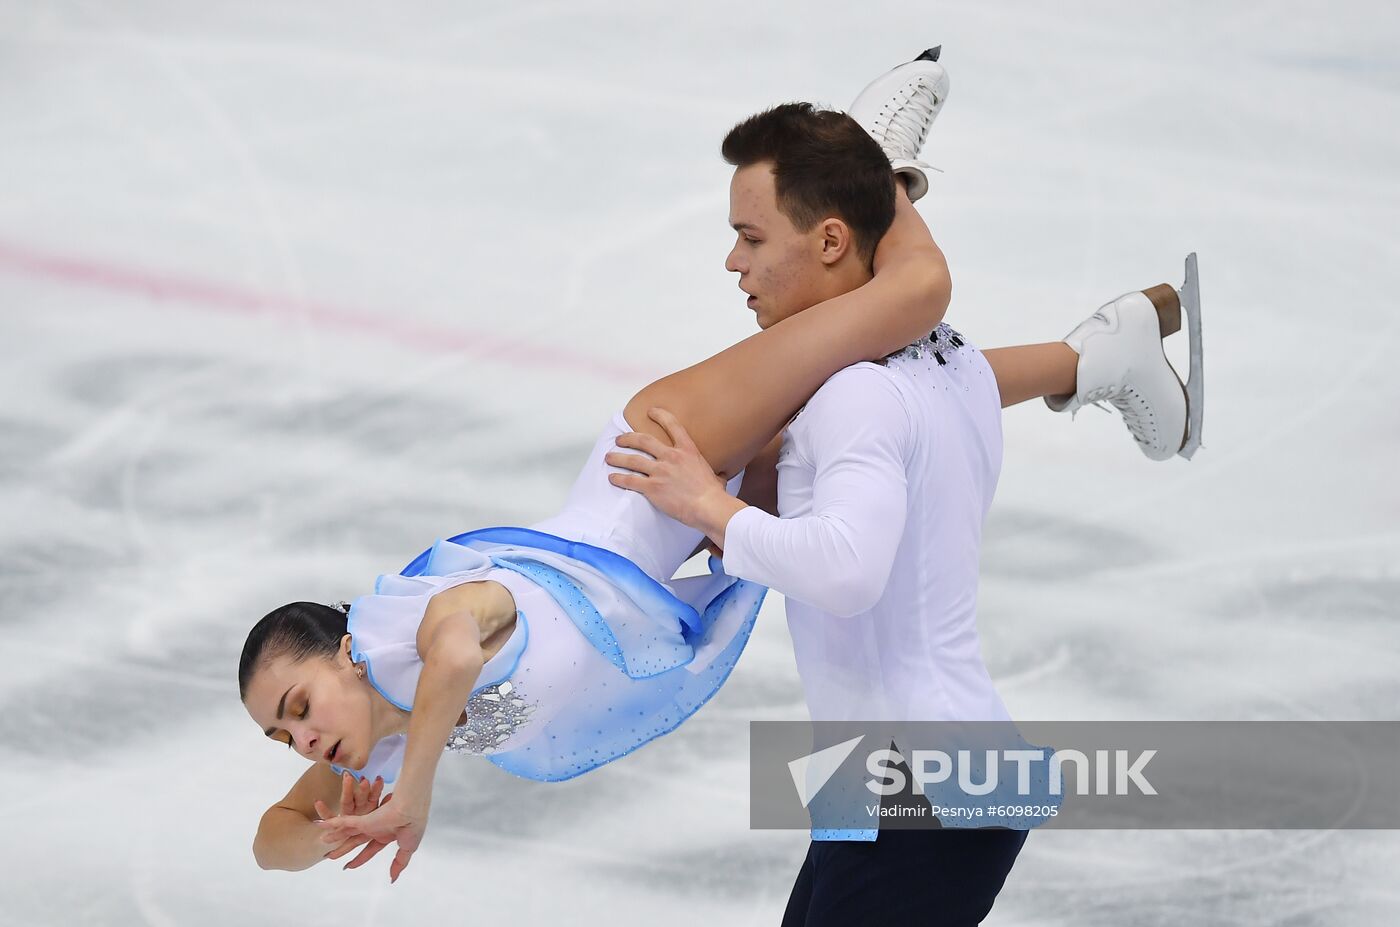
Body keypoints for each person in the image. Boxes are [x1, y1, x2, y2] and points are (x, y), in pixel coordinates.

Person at [239, 55, 1201, 889]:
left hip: (659, 453)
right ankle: (1095, 360)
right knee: (905, 395)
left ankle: (856, 157)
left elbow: (460, 646)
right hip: (705, 519)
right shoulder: (381, 727)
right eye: (283, 737)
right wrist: (327, 829)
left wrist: (412, 796)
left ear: (347, 652)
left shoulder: (413, 639)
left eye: (297, 707)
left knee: (911, 298)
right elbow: (265, 843)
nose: (302, 739)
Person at [603, 53, 1202, 926]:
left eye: (754, 237)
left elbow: (849, 568)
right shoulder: (944, 363)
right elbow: (919, 310)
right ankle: (1097, 343)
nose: (733, 260)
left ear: (835, 240)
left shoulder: (857, 394)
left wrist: (710, 507)